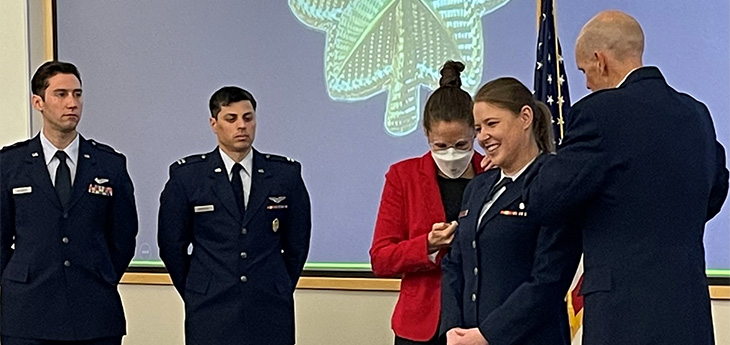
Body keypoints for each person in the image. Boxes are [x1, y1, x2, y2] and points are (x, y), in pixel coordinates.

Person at [531, 11, 729, 345]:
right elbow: (715, 191)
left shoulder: (600, 113)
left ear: (600, 60)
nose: (588, 83)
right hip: (689, 310)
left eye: (584, 71)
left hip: (623, 315)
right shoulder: (697, 114)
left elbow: (547, 198)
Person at [158, 86, 311, 345]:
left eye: (248, 118)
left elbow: (297, 244)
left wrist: (278, 285)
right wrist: (198, 289)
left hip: (270, 307)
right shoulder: (188, 177)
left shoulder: (285, 175)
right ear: (214, 123)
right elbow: (172, 245)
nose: (242, 126)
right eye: (231, 119)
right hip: (210, 309)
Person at [0, 61, 138, 345]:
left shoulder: (109, 164)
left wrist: (103, 273)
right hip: (27, 314)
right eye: (61, 94)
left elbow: (123, 236)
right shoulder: (10, 165)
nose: (72, 103)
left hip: (94, 312)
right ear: (38, 102)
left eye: (77, 94)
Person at [440, 77, 582, 345]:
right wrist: (452, 326)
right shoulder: (478, 186)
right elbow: (454, 262)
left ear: (525, 117)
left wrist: (488, 335)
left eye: (492, 124)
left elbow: (548, 279)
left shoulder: (553, 182)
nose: (483, 137)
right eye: (478, 128)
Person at [370, 61, 486, 345]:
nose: (451, 154)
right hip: (421, 325)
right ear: (426, 134)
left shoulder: (493, 173)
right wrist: (428, 246)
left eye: (461, 145)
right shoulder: (403, 176)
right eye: (440, 146)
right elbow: (381, 258)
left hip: (479, 322)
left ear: (475, 132)